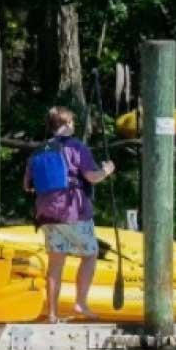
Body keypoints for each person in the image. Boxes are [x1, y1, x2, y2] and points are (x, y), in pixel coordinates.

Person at [23, 106, 115, 322]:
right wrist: (106, 171)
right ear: (65, 125)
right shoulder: (76, 147)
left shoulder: (39, 150)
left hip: (46, 213)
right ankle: (80, 303)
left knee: (56, 263)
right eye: (72, 122)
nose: (74, 126)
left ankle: (52, 313)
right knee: (90, 254)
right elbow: (91, 177)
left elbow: (27, 185)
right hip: (72, 210)